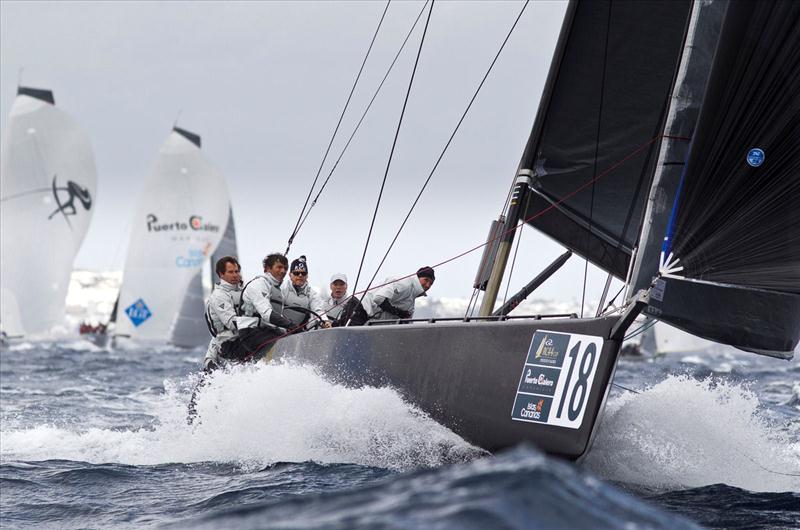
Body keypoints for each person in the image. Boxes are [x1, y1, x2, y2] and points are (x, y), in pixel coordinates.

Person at [344, 266, 435, 326]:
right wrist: (398, 312)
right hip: (359, 307)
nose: (427, 285)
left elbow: (406, 323)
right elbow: (378, 297)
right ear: (417, 277)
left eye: (430, 283)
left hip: (368, 317)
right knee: (350, 341)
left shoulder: (410, 303)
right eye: (426, 280)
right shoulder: (405, 284)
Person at [281, 255, 331, 330]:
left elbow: (318, 310)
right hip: (280, 329)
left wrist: (325, 321)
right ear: (290, 275)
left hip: (299, 332)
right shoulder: (282, 288)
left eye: (303, 273)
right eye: (296, 273)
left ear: (307, 276)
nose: (300, 275)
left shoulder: (311, 293)